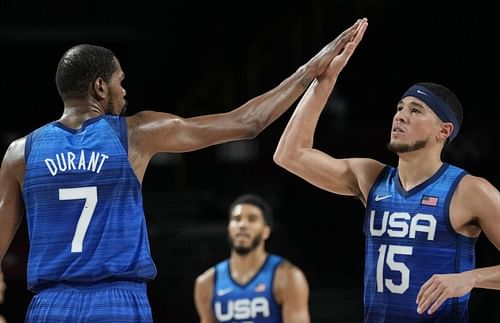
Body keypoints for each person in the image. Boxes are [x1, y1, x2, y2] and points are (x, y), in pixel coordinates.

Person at [0, 18, 367, 322]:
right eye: (119, 81)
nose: (124, 92)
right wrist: (310, 70)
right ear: (100, 86)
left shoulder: (20, 152)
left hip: (49, 305)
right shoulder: (135, 134)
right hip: (116, 302)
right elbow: (247, 122)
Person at [274, 18, 500, 322]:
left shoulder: (470, 190)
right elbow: (290, 154)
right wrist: (324, 81)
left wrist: (469, 279)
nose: (401, 116)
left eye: (415, 110)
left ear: (443, 130)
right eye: (399, 108)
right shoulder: (371, 177)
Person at [194, 193, 310, 323]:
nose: (242, 225)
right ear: (229, 228)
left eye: (252, 219)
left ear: (266, 231)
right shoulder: (207, 282)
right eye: (237, 219)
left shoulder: (287, 277)